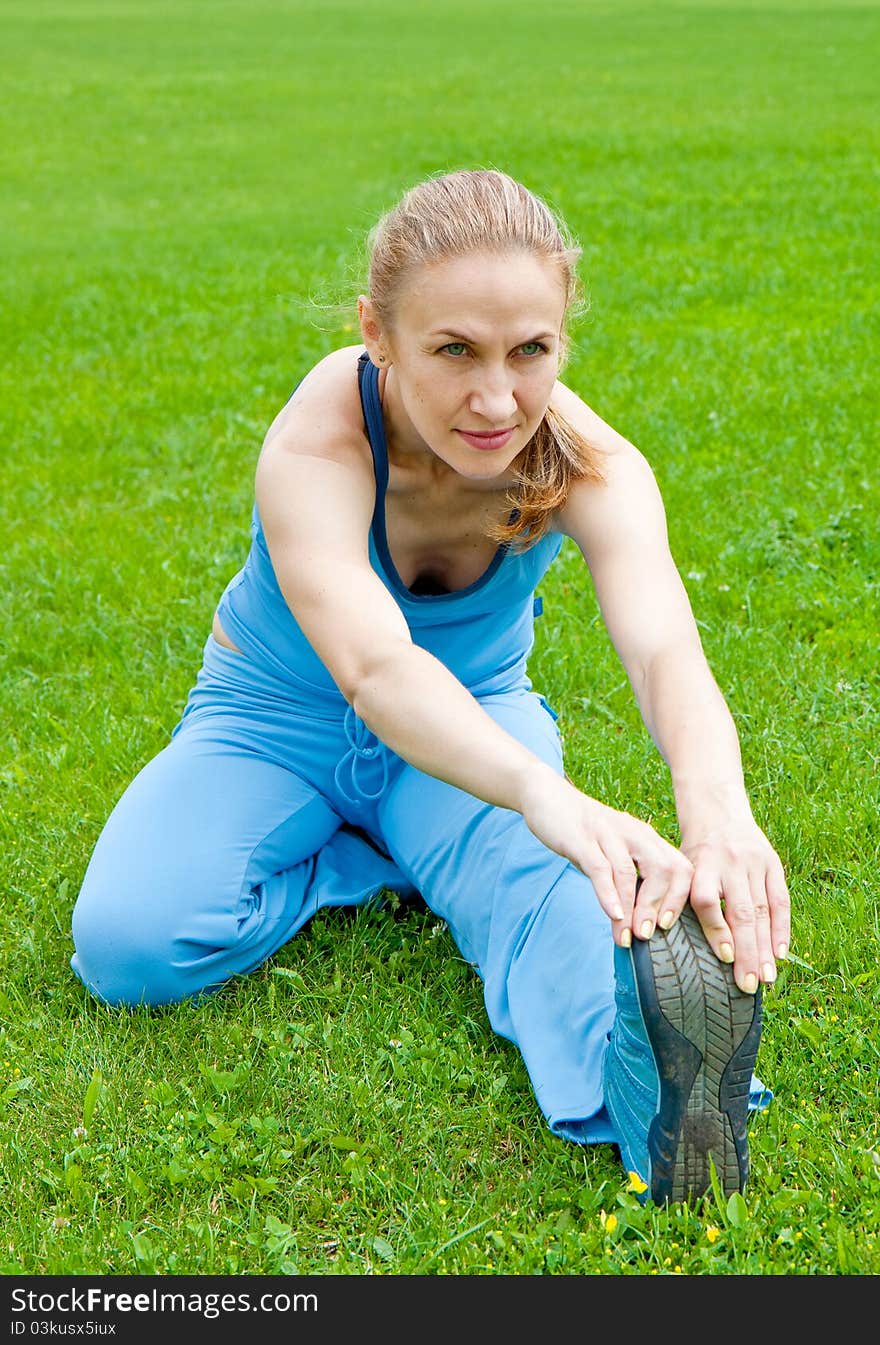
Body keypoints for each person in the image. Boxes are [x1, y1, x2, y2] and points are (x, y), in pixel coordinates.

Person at [71, 168, 790, 1205]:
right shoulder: (318, 437)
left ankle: (637, 1083)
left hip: (474, 729)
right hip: (273, 719)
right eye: (453, 350)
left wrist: (717, 812)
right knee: (129, 943)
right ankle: (375, 857)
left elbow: (663, 649)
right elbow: (372, 667)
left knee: (552, 893)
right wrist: (543, 791)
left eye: (529, 351)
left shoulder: (591, 464)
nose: (496, 398)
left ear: (561, 341)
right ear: (379, 332)